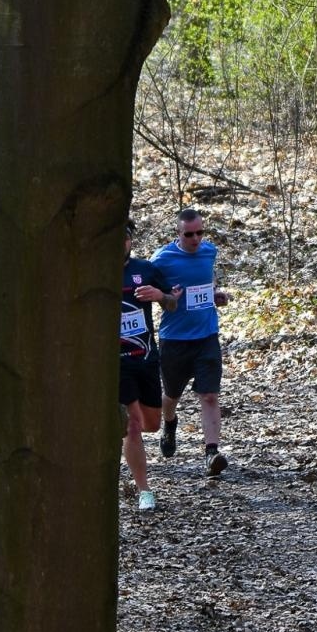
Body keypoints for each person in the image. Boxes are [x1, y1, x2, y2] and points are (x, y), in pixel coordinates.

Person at [151, 208, 231, 476]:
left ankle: (211, 453)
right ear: (178, 233)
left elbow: (206, 283)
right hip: (174, 338)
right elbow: (151, 291)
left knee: (209, 395)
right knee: (171, 394)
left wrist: (215, 294)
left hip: (207, 335)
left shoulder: (209, 251)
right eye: (189, 235)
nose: (196, 239)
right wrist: (166, 296)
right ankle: (169, 422)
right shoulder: (161, 259)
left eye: (200, 233)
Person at [121, 219, 179, 511]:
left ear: (131, 240)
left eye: (125, 237)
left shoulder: (144, 269)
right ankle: (144, 491)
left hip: (145, 357)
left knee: (151, 424)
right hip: (116, 363)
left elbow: (173, 302)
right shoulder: (93, 272)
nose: (120, 243)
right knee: (132, 424)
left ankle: (122, 435)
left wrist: (160, 296)